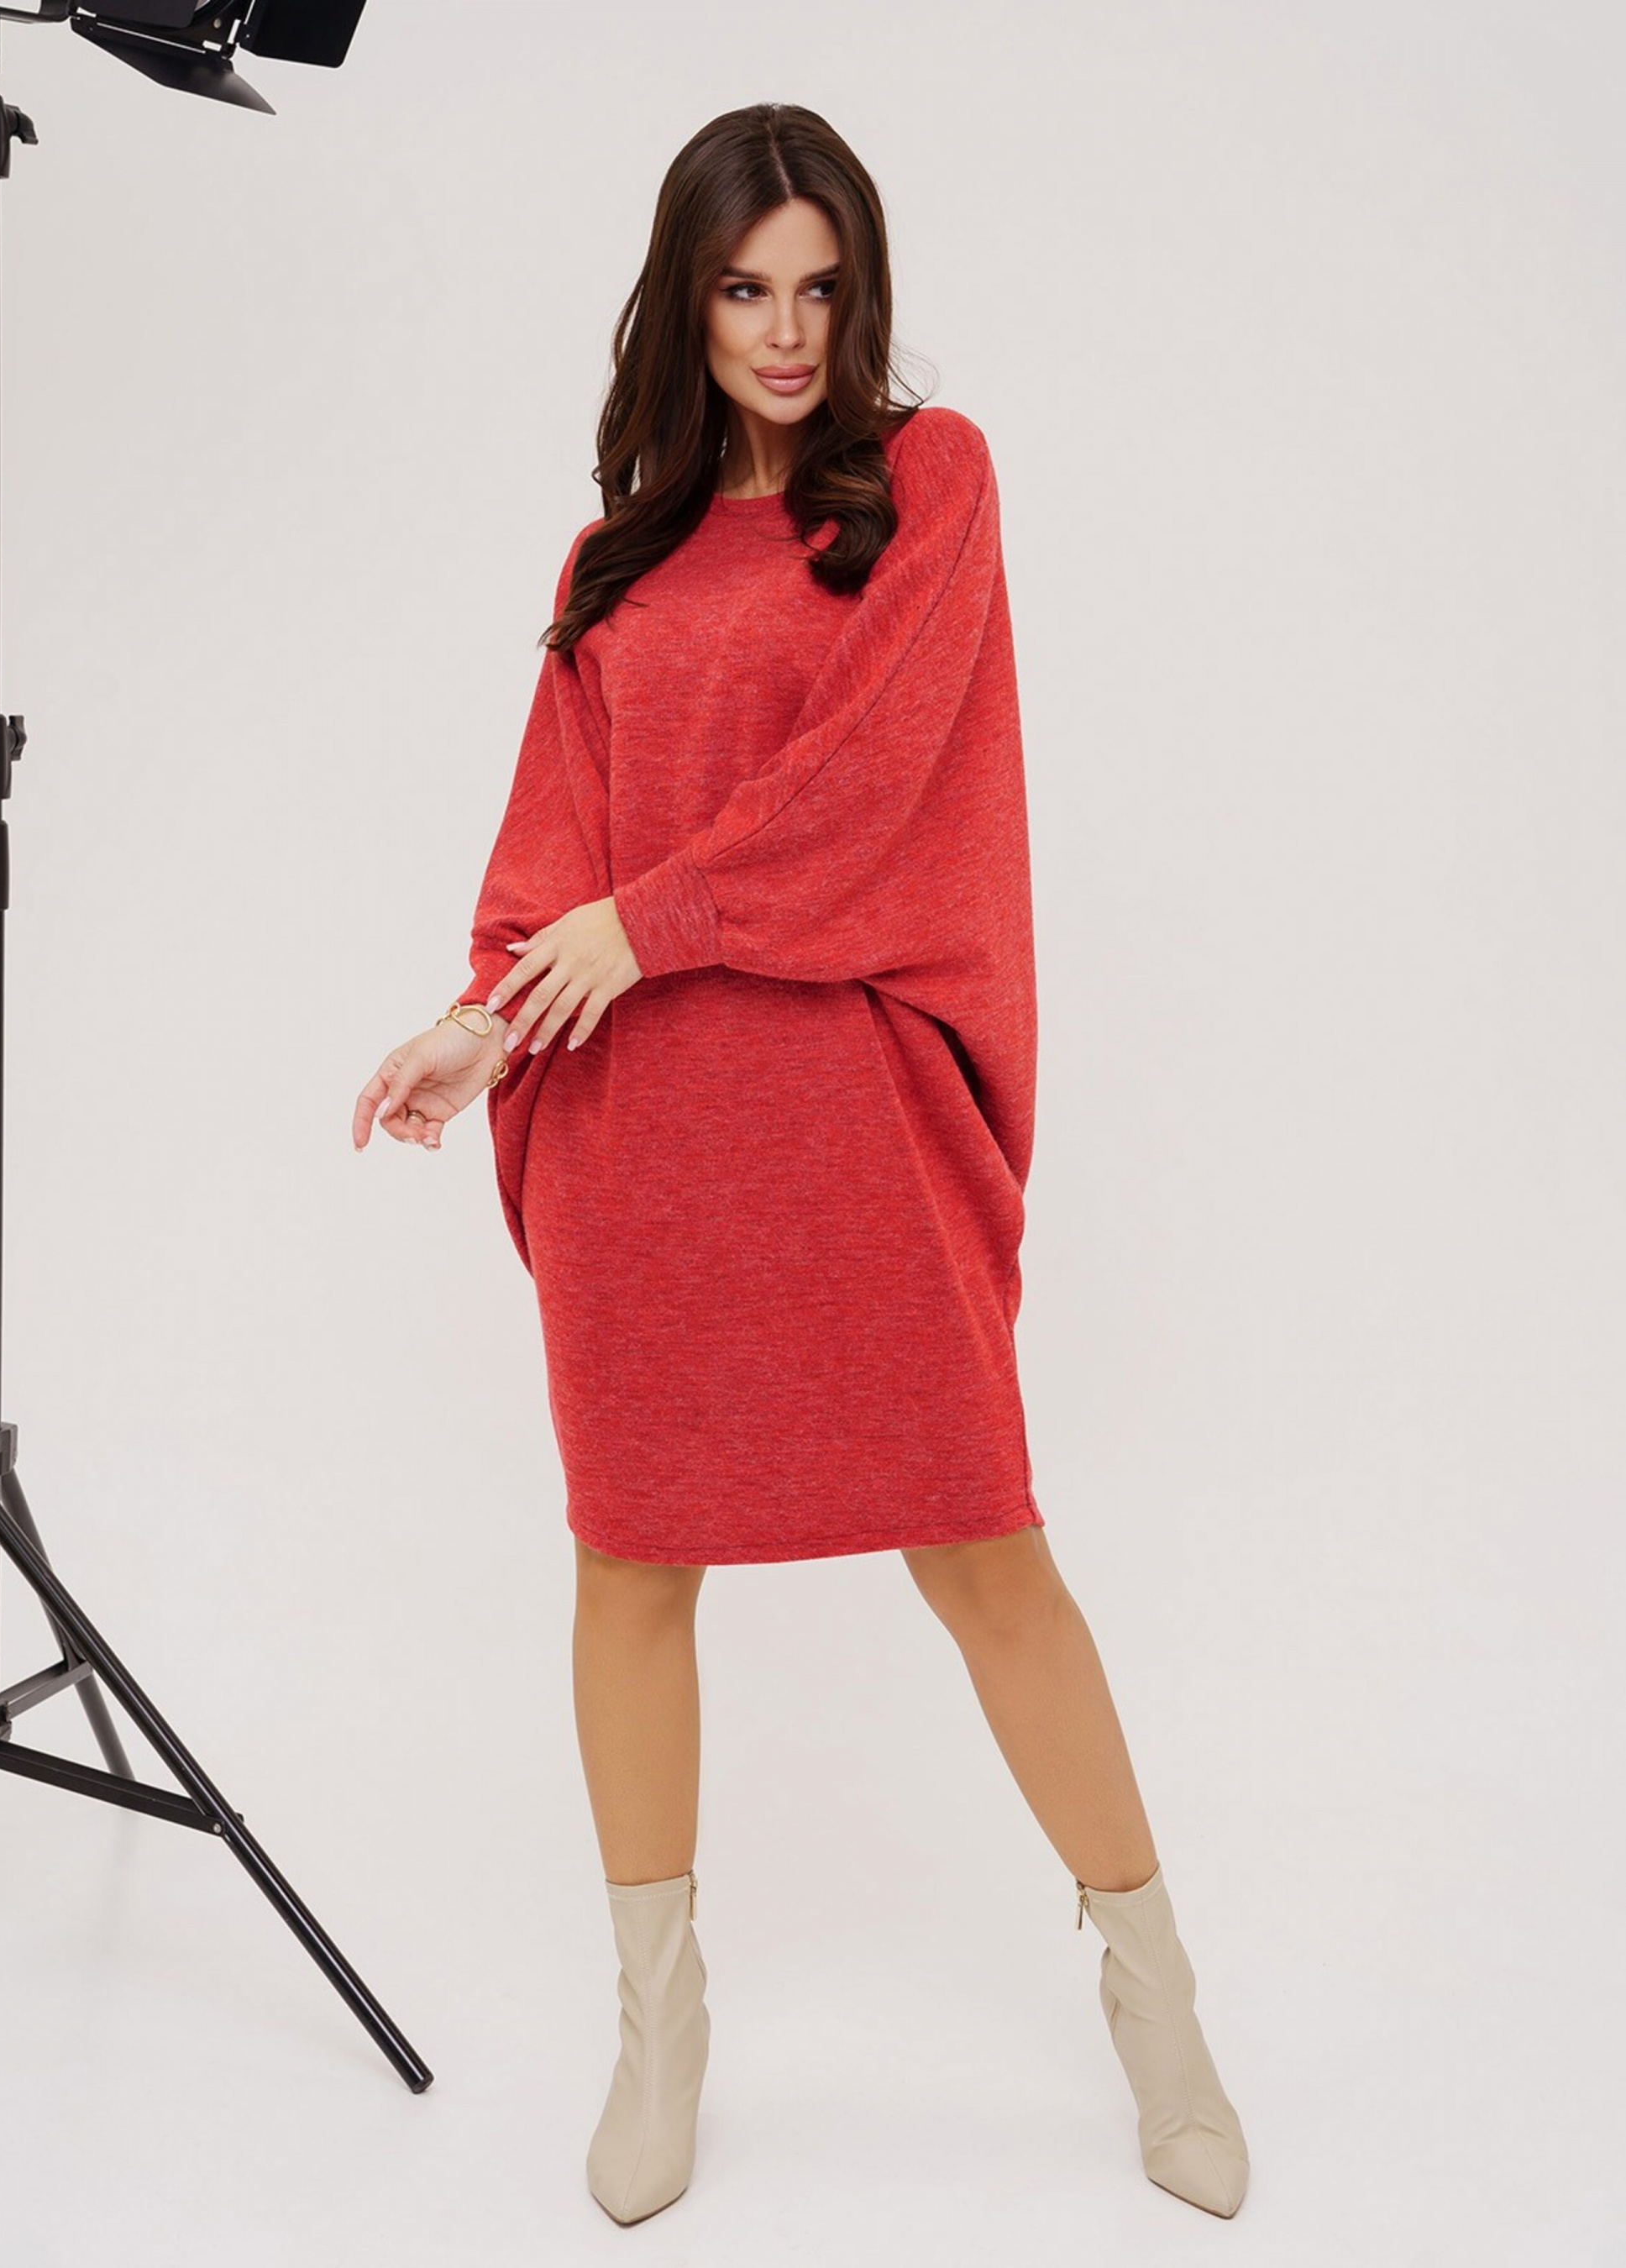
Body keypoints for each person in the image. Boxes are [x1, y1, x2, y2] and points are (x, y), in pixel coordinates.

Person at [352, 102, 1249, 2229]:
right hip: (641, 1132)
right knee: (629, 1568)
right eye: (743, 289)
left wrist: (643, 921)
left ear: (861, 294)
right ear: (682, 302)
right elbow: (553, 857)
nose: (783, 331)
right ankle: (659, 2030)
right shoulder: (612, 567)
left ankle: (1159, 2011)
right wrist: (480, 1024)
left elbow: (875, 789)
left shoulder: (930, 483)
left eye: (819, 288)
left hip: (848, 1118)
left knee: (984, 1554)